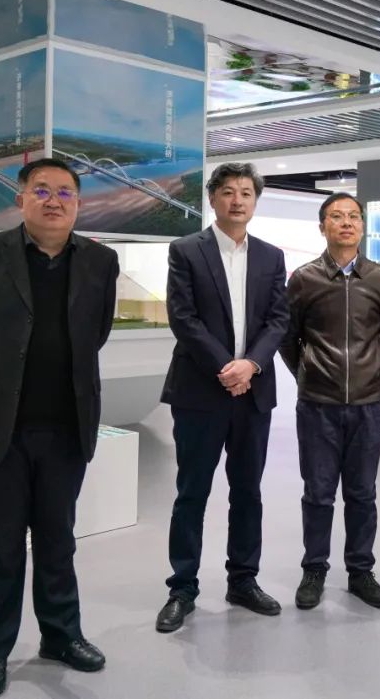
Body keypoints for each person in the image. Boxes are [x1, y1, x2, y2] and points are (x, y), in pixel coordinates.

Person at [0, 157, 119, 697]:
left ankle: (61, 636)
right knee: (0, 545)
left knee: (58, 539)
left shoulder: (100, 261)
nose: (53, 201)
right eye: (41, 190)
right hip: (0, 425)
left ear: (78, 204)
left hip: (66, 426)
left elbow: (97, 333)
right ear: (20, 199)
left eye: (65, 193)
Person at [155, 162, 288, 632]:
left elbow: (278, 319)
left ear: (255, 201)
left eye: (246, 193)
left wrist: (251, 364)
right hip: (199, 392)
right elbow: (183, 318)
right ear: (212, 198)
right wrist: (226, 367)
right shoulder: (186, 250)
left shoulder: (271, 256)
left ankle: (243, 580)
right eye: (228, 191)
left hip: (253, 393)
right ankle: (182, 589)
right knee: (191, 492)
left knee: (248, 491)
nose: (237, 200)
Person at [279, 192, 380, 610]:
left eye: (353, 216)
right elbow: (288, 337)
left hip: (369, 406)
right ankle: (314, 569)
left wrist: (369, 370)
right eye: (336, 216)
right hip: (318, 405)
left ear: (362, 226)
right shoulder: (304, 279)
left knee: (363, 494)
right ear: (322, 227)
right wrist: (309, 373)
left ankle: (360, 571)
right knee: (318, 493)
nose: (346, 223)